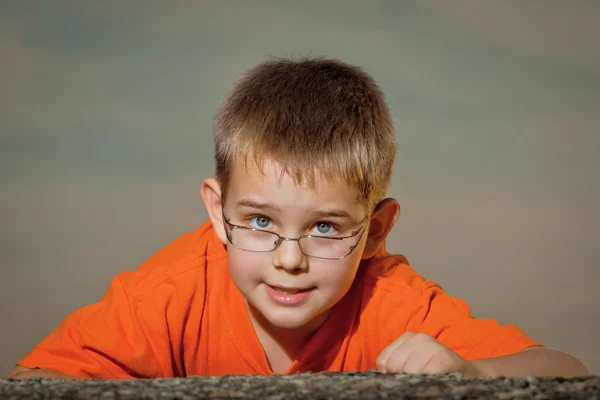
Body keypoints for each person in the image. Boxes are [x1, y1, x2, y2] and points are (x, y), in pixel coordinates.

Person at [8, 57, 588, 380]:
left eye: (327, 228)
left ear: (377, 231)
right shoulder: (172, 294)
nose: (290, 260)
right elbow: (38, 382)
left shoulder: (394, 305)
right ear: (217, 211)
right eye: (259, 221)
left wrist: (471, 374)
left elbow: (567, 371)